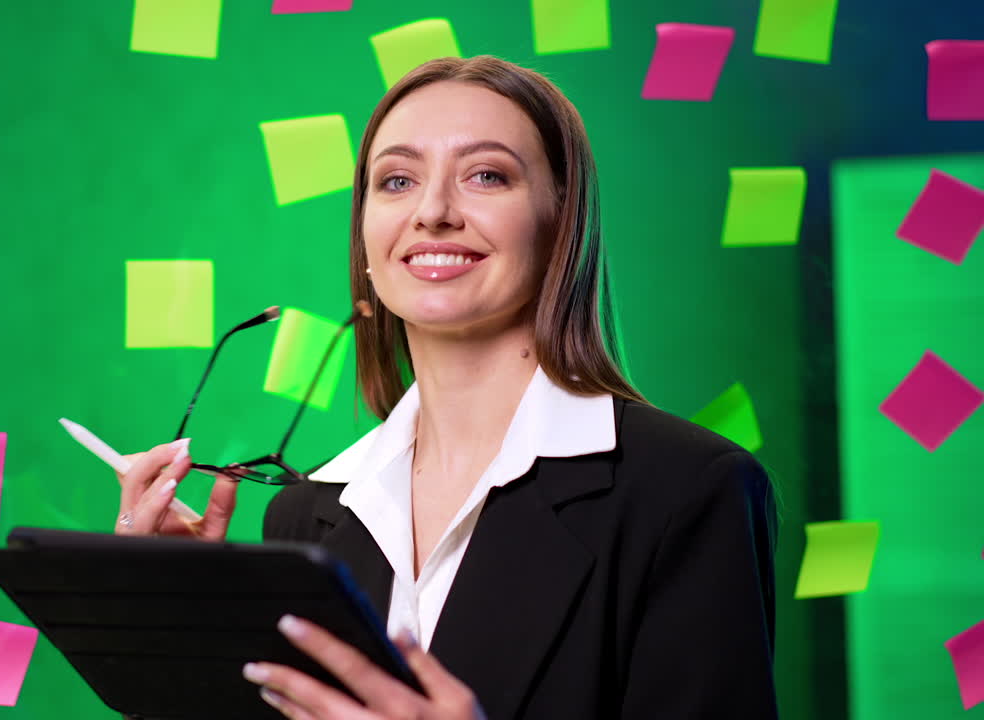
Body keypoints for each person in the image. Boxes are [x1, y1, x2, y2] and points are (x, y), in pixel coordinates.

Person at [112, 55, 779, 719]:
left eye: (487, 176)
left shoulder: (691, 493)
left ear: (559, 223)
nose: (432, 212)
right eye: (397, 180)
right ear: (367, 242)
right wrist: (188, 643)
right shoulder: (301, 518)